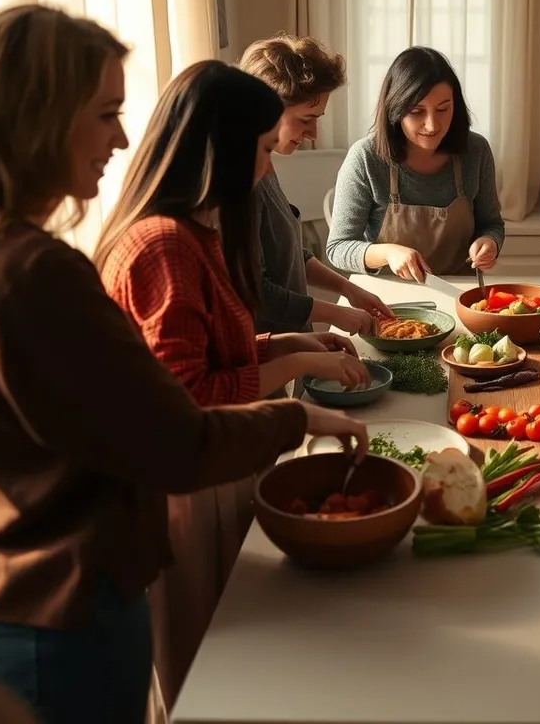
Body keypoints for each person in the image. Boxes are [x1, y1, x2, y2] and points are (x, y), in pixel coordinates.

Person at [0, 4, 367, 724]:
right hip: (61, 602)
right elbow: (179, 427)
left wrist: (282, 349)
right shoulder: (36, 272)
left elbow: (143, 389)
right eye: (105, 115)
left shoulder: (22, 259)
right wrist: (293, 411)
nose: (122, 137)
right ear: (40, 120)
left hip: (60, 593)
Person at [93, 60, 371, 708]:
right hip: (187, 495)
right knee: (208, 680)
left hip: (214, 470)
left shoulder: (192, 230)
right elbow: (189, 398)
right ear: (220, 149)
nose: (271, 165)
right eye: (266, 149)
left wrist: (289, 342)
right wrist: (300, 368)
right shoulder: (162, 245)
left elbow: (211, 352)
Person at [238, 34, 393, 340]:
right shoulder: (241, 180)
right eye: (306, 119)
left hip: (291, 344)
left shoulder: (264, 162)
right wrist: (335, 313)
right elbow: (258, 291)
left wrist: (349, 289)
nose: (313, 133)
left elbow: (290, 252)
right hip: (263, 355)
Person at [326, 46, 504, 281]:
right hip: (389, 297)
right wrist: (387, 252)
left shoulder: (476, 150)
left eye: (443, 109)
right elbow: (338, 248)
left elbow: (491, 224)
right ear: (395, 109)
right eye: (416, 112)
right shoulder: (366, 158)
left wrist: (489, 242)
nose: (432, 125)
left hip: (460, 290)